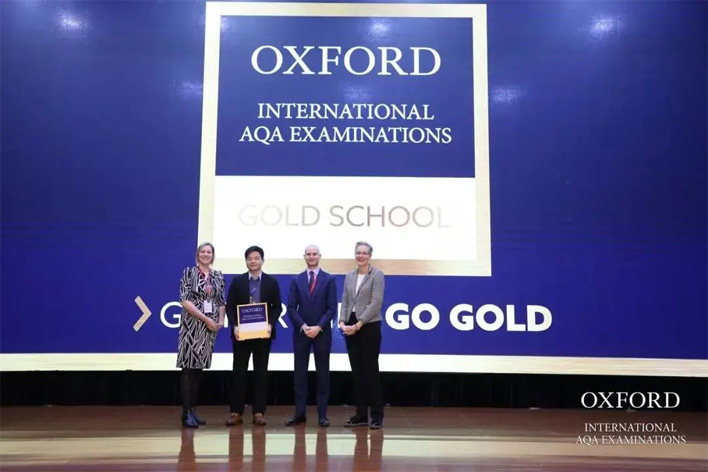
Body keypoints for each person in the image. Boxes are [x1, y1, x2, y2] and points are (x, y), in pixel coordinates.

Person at [225, 245, 282, 426]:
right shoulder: (238, 281)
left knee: (261, 373)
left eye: (256, 258)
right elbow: (230, 306)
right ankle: (236, 412)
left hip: (263, 334)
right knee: (239, 373)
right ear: (246, 261)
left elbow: (277, 307)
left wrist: (270, 324)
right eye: (250, 258)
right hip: (241, 334)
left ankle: (258, 412)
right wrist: (235, 326)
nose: (253, 261)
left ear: (262, 261)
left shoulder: (271, 282)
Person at [285, 245, 337, 427]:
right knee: (300, 375)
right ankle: (299, 414)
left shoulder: (329, 279)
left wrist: (318, 327)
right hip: (302, 333)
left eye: (314, 254)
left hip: (322, 333)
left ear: (319, 256)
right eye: (308, 254)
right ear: (304, 256)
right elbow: (291, 308)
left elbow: (332, 308)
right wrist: (304, 326)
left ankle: (322, 415)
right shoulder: (296, 279)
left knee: (323, 374)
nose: (312, 256)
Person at [177, 242, 225, 428]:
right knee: (188, 369)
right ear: (198, 255)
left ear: (213, 255)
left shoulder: (218, 276)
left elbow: (221, 301)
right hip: (192, 326)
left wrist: (220, 320)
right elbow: (184, 300)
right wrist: (205, 319)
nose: (206, 254)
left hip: (209, 329)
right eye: (203, 252)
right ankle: (186, 413)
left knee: (198, 370)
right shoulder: (189, 272)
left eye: (209, 252)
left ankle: (192, 410)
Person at [339, 241, 385, 429]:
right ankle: (361, 414)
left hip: (369, 326)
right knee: (357, 372)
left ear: (370, 256)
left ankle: (377, 415)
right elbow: (345, 300)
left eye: (364, 253)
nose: (361, 256)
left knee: (370, 371)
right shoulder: (350, 276)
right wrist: (342, 322)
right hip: (350, 325)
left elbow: (376, 303)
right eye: (358, 252)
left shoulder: (377, 275)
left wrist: (359, 324)